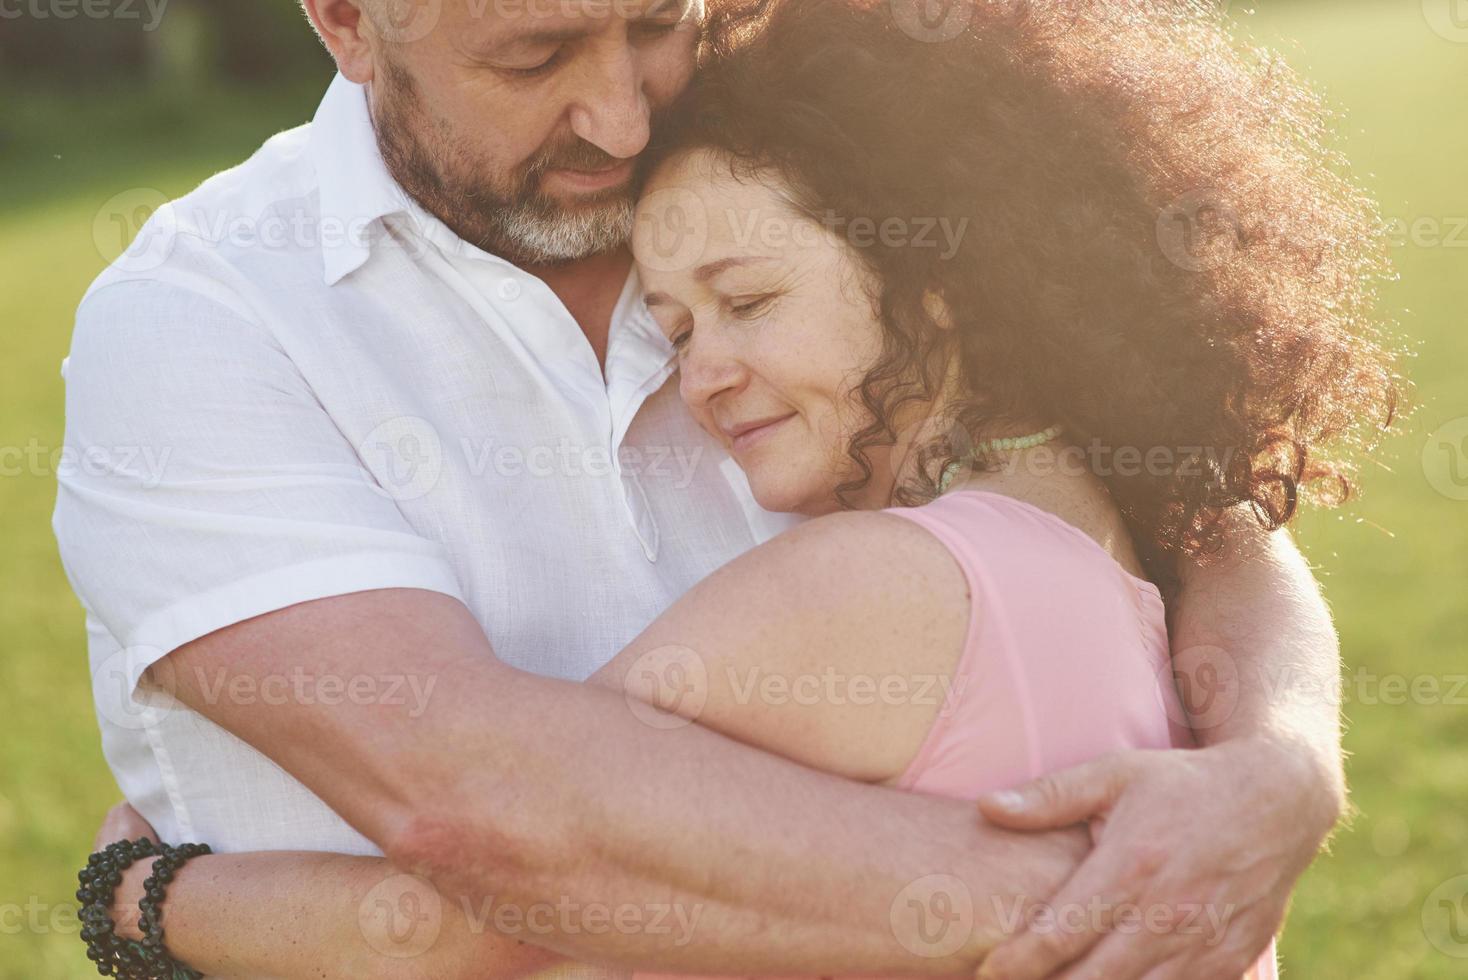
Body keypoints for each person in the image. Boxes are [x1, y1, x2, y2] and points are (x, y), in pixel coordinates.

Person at [60, 0, 1390, 977]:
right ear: (348, 20)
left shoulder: (774, 158)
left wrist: (1282, 760)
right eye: (534, 57)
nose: (627, 116)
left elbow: (1189, 504)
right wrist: (1129, 902)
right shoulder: (202, 323)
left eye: (659, 23)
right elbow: (491, 816)